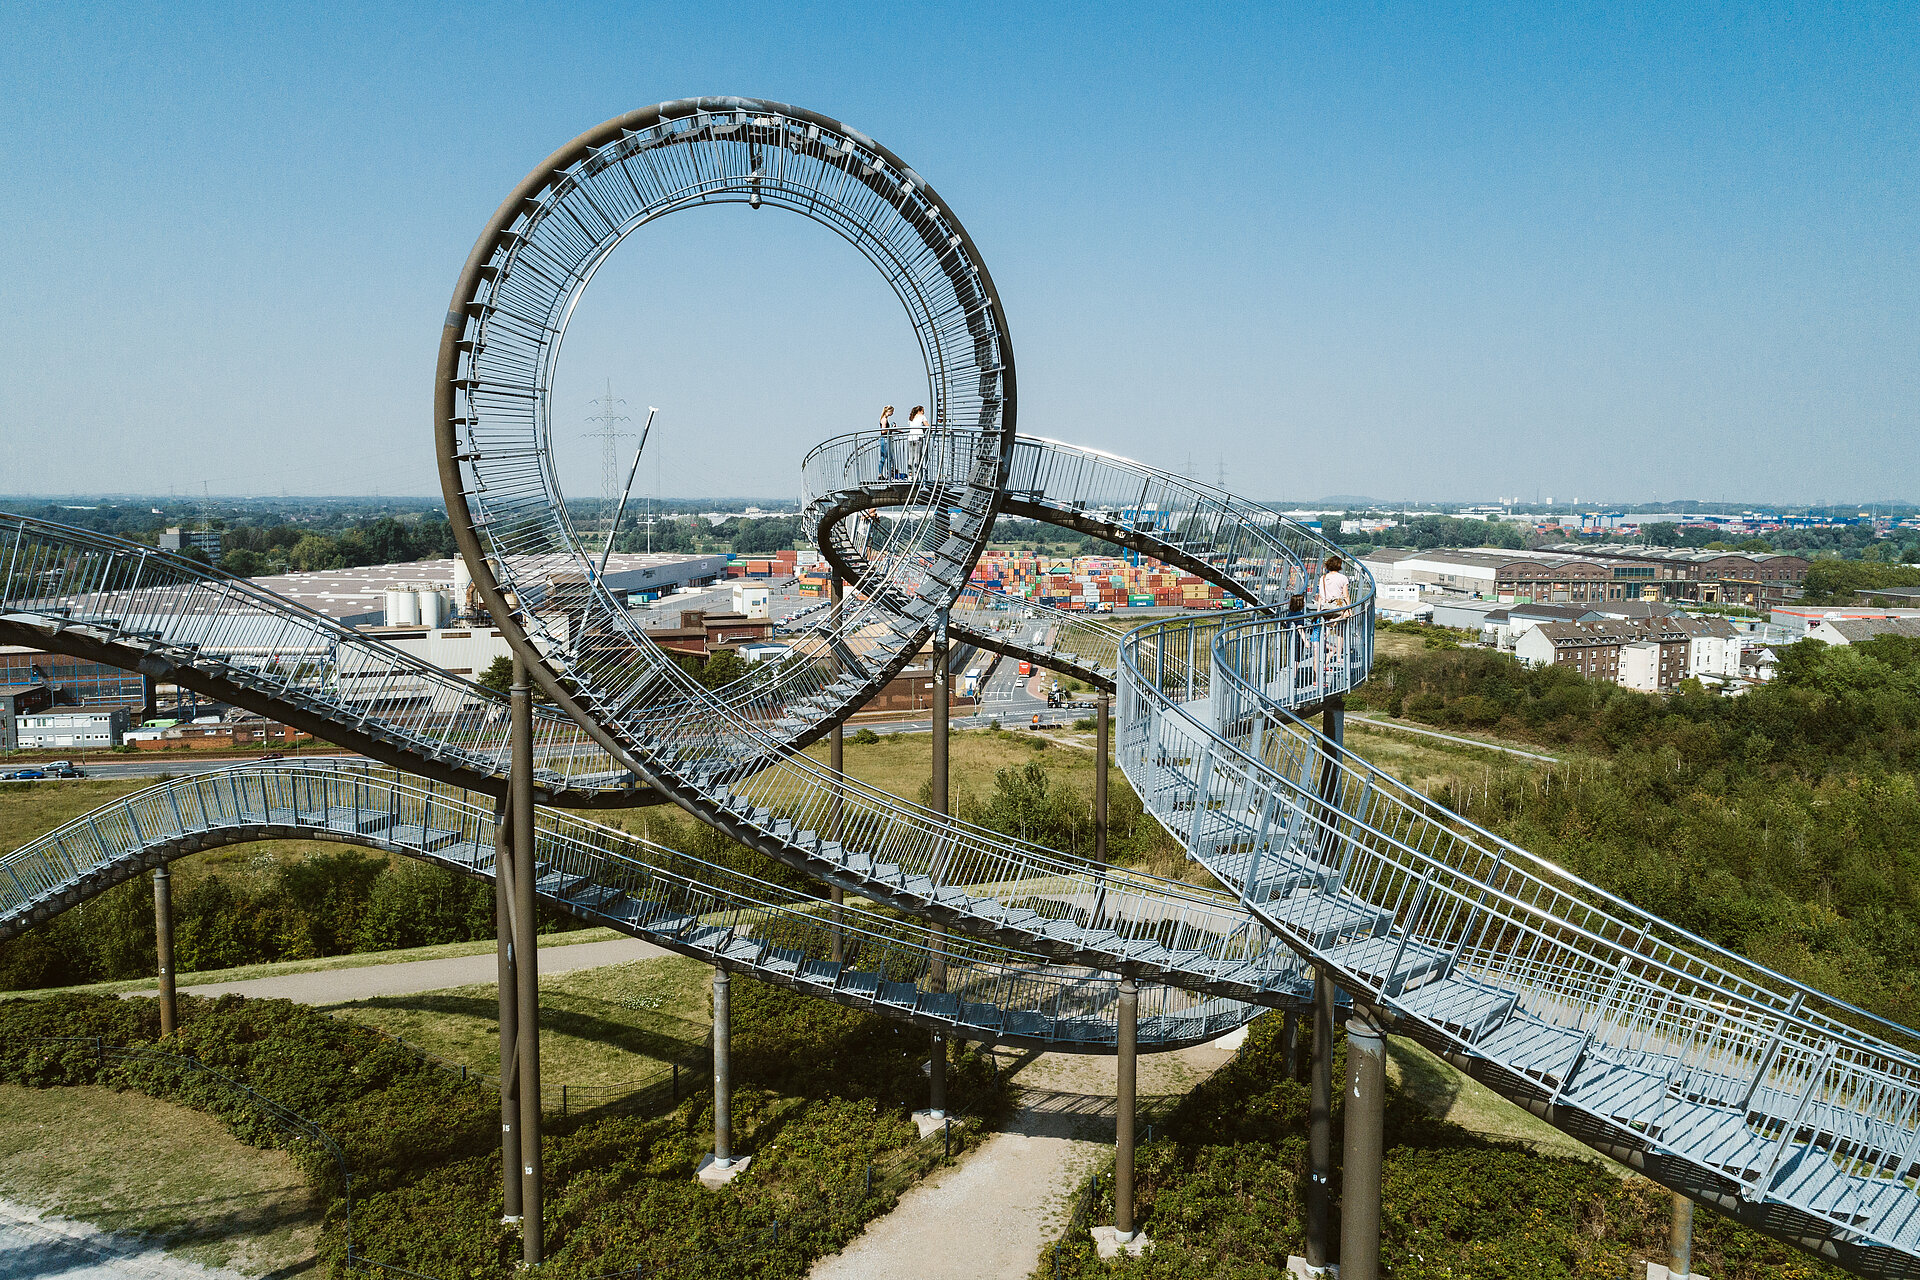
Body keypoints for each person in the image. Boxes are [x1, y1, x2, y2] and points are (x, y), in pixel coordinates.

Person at [906, 405, 928, 481]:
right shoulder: (922, 417)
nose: (923, 412)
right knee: (917, 456)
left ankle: (910, 475)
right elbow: (927, 426)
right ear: (920, 411)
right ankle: (916, 474)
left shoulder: (911, 417)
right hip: (918, 437)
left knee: (910, 457)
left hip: (910, 438)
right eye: (923, 411)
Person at [877, 405, 897, 481]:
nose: (892, 413)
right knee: (887, 457)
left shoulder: (884, 418)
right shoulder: (884, 419)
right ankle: (885, 474)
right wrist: (891, 428)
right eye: (892, 412)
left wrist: (896, 430)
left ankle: (882, 474)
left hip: (885, 439)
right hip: (885, 440)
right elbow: (883, 431)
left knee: (886, 457)